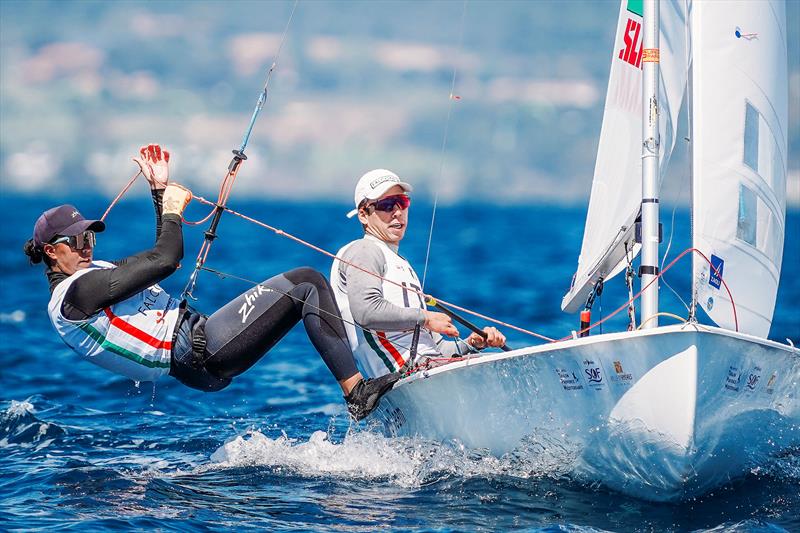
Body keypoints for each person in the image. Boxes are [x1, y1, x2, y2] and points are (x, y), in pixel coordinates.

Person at [23, 144, 398, 420]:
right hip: (199, 352)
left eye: (90, 237)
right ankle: (358, 394)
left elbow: (152, 259)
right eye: (77, 240)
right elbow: (167, 259)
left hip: (201, 348)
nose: (87, 246)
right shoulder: (75, 296)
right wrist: (169, 208)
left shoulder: (91, 276)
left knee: (305, 290)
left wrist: (159, 192)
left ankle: (365, 385)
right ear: (53, 252)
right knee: (307, 283)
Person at [331, 169, 506, 378]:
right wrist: (424, 317)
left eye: (402, 202)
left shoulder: (401, 264)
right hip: (402, 376)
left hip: (427, 369)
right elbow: (366, 311)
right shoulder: (364, 251)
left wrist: (472, 343)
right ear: (363, 214)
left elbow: (437, 350)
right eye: (386, 205)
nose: (397, 212)